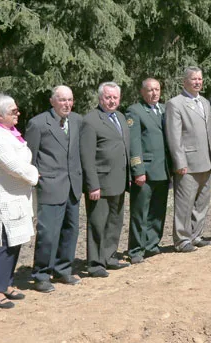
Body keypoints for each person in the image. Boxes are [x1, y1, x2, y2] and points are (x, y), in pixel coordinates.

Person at [0, 94, 39, 308]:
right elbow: (13, 165)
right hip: (3, 195)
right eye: (14, 111)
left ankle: (6, 283)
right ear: (0, 114)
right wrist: (34, 174)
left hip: (17, 192)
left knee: (16, 239)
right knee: (5, 241)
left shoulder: (10, 133)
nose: (18, 113)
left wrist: (28, 174)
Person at [26, 86, 82, 293]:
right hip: (50, 185)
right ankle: (41, 274)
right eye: (62, 100)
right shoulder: (38, 123)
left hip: (73, 186)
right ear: (52, 101)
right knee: (48, 233)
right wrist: (35, 179)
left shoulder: (77, 120)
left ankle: (63, 269)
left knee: (71, 230)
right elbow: (29, 157)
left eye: (70, 100)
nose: (67, 104)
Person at [80, 82, 131, 277]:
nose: (112, 101)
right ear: (100, 98)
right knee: (97, 224)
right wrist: (92, 185)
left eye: (115, 97)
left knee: (115, 222)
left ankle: (110, 257)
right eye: (108, 97)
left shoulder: (120, 117)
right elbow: (87, 156)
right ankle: (95, 263)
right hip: (100, 183)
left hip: (119, 180)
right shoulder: (91, 121)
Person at [165, 66, 211, 252]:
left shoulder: (204, 102)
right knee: (184, 204)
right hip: (187, 163)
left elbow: (209, 133)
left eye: (200, 79)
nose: (198, 82)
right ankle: (181, 240)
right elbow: (174, 136)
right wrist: (179, 163)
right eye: (194, 79)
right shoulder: (175, 104)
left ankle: (196, 236)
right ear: (185, 81)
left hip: (205, 161)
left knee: (202, 202)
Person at [125, 78, 170, 264]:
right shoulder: (134, 111)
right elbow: (134, 143)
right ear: (142, 92)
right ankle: (136, 249)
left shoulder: (166, 109)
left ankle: (152, 245)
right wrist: (137, 169)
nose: (154, 93)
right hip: (145, 171)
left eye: (157, 89)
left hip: (164, 169)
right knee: (140, 212)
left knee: (158, 210)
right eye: (150, 90)